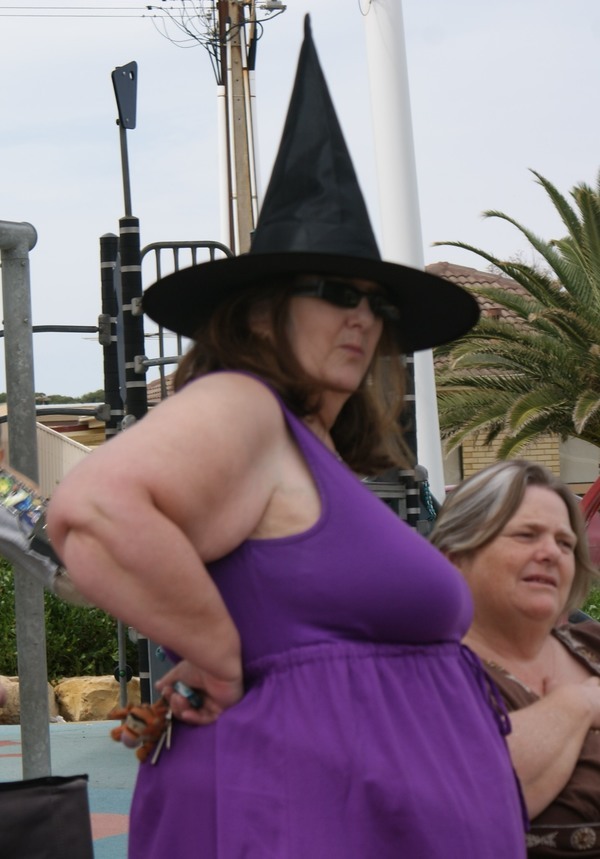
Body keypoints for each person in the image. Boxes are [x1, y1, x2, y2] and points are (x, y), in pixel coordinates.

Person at [47, 17, 527, 859]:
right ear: (263, 311)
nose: (362, 316)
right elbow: (94, 508)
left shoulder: (309, 452)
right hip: (288, 817)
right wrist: (216, 650)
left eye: (378, 302)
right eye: (334, 290)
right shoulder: (244, 404)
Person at [431, 459, 600, 856]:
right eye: (526, 535)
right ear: (455, 556)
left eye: (565, 543)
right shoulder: (426, 673)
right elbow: (467, 803)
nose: (551, 553)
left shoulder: (592, 641)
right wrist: (576, 704)